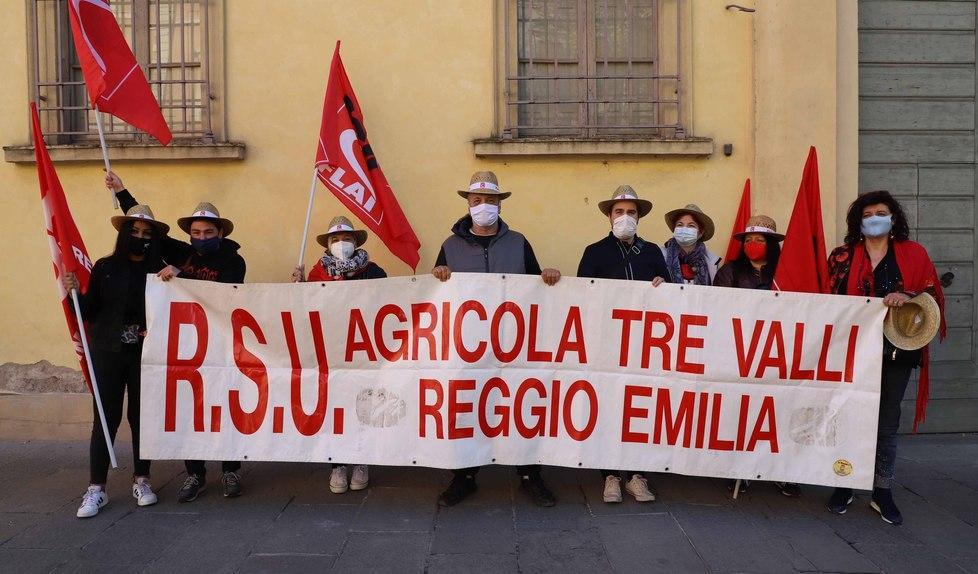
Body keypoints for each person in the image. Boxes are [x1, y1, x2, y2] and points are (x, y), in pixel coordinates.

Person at [108, 172, 247, 502]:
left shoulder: (234, 260)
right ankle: (195, 473)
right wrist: (122, 193)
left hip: (222, 345)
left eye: (207, 232)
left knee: (225, 406)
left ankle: (230, 470)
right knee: (191, 408)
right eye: (196, 232)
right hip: (187, 349)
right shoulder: (182, 253)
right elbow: (147, 229)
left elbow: (226, 291)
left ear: (220, 232)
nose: (201, 237)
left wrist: (183, 275)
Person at [431, 170, 561, 508]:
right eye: (478, 201)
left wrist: (548, 276)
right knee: (468, 406)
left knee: (520, 406)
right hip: (468, 345)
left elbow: (537, 284)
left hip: (512, 344)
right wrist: (439, 274)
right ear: (468, 205)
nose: (484, 206)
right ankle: (465, 477)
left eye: (491, 201)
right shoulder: (450, 246)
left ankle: (530, 475)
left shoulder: (518, 242)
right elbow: (435, 292)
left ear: (500, 205)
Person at [825, 190, 945, 525]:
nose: (874, 218)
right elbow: (827, 300)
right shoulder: (841, 257)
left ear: (893, 218)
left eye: (881, 212)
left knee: (887, 424)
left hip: (897, 352)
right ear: (858, 221)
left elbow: (931, 293)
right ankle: (844, 483)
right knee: (847, 417)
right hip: (851, 352)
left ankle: (882, 491)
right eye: (867, 214)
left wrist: (906, 296)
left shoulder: (913, 254)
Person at [63, 204, 170, 518]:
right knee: (105, 419)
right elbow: (90, 311)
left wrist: (175, 274)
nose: (139, 237)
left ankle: (142, 479)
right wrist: (74, 297)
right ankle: (96, 488)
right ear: (124, 234)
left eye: (146, 233)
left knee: (141, 418)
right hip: (107, 351)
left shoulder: (160, 270)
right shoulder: (105, 267)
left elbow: (177, 307)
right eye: (134, 232)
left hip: (144, 354)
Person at [577, 185, 667, 504]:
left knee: (641, 409)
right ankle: (611, 475)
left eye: (631, 212)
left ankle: (637, 475)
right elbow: (585, 297)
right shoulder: (595, 252)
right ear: (609, 217)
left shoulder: (654, 252)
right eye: (619, 212)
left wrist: (662, 285)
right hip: (609, 345)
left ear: (639, 217)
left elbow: (670, 297)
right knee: (609, 407)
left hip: (645, 346)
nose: (625, 217)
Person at [291, 215, 386, 493]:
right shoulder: (317, 276)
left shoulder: (374, 272)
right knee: (334, 408)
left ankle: (361, 460)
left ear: (356, 242)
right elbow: (305, 310)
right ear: (328, 244)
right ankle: (337, 465)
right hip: (330, 352)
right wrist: (298, 287)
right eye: (335, 239)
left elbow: (388, 302)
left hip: (363, 351)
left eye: (346, 239)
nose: (341, 243)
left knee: (362, 405)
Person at [712, 215, 801, 498]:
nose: (752, 245)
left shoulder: (787, 272)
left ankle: (781, 471)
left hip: (779, 353)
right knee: (743, 412)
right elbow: (719, 310)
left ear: (771, 244)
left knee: (778, 413)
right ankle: (742, 469)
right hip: (741, 352)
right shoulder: (729, 272)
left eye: (759, 240)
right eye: (748, 240)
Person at [661, 204, 721, 285]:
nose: (684, 229)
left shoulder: (712, 261)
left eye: (691, 225)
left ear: (700, 232)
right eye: (680, 225)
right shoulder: (660, 255)